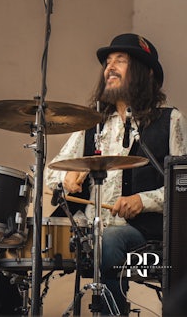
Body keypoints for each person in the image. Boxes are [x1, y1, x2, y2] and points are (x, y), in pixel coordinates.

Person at [45, 33, 187, 316]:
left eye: (120, 61)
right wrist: (67, 178)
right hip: (88, 231)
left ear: (144, 72)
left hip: (149, 235)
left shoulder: (170, 120)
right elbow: (53, 171)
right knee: (14, 244)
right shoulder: (91, 123)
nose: (109, 67)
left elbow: (183, 184)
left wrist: (143, 200)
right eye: (107, 62)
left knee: (111, 239)